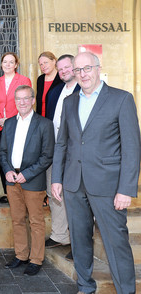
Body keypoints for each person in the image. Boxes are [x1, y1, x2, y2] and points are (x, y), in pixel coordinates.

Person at [51, 52, 141, 294]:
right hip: (73, 183)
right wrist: (57, 178)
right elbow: (62, 143)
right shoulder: (70, 101)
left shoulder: (121, 99)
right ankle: (85, 286)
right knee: (79, 242)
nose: (83, 74)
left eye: (87, 68)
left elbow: (132, 148)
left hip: (108, 187)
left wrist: (126, 189)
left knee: (116, 243)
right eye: (78, 70)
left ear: (98, 68)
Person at [0, 85, 54, 276]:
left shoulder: (44, 124)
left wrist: (28, 173)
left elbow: (47, 156)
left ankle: (36, 259)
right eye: (18, 99)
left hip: (33, 180)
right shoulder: (9, 124)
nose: (22, 102)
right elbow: (2, 152)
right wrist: (7, 170)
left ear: (32, 100)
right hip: (12, 179)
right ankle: (21, 255)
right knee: (17, 220)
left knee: (36, 221)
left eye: (25, 98)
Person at [44, 54, 80, 260]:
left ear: (75, 67)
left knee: (75, 197)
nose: (64, 71)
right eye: (61, 69)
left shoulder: (82, 90)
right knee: (54, 193)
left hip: (75, 152)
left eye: (67, 67)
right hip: (55, 150)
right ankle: (59, 235)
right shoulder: (55, 91)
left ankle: (79, 243)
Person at [0, 52, 32, 204]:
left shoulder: (24, 80)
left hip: (17, 125)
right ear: (1, 64)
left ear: (16, 65)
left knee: (17, 158)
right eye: (5, 62)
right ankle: (7, 192)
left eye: (11, 62)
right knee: (3, 159)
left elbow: (25, 102)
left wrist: (11, 121)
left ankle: (20, 191)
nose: (7, 64)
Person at [35, 51, 62, 117]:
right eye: (41, 64)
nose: (43, 66)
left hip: (56, 119)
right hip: (41, 120)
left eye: (45, 63)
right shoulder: (40, 79)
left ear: (54, 61)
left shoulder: (61, 78)